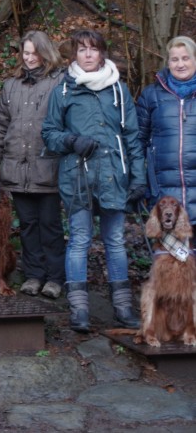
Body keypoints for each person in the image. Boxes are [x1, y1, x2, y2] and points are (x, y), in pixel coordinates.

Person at [42, 29, 145, 333]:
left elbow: (132, 137)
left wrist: (138, 179)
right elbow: (49, 133)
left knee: (115, 240)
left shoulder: (119, 91)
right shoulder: (63, 91)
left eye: (93, 49)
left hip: (114, 175)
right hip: (78, 176)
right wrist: (71, 140)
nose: (88, 54)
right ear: (74, 54)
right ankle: (79, 310)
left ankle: (123, 308)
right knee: (79, 240)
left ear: (102, 53)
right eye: (82, 49)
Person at [0, 30, 65, 299]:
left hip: (48, 168)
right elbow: (0, 125)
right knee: (28, 225)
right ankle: (33, 275)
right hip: (16, 167)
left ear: (46, 53)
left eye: (35, 53)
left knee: (50, 225)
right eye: (26, 53)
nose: (29, 58)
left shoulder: (60, 82)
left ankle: (55, 278)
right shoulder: (12, 85)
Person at [136, 35, 196, 241]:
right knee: (169, 258)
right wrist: (140, 182)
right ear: (168, 63)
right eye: (175, 59)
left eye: (186, 58)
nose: (180, 64)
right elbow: (138, 141)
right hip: (165, 197)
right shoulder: (151, 95)